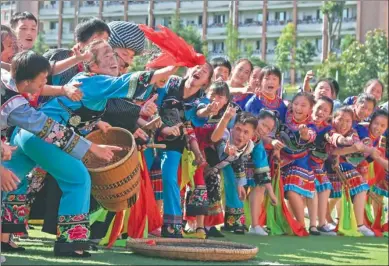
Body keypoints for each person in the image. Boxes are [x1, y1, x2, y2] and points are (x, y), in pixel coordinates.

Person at [1, 50, 120, 255]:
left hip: (18, 139)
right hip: (32, 137)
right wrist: (90, 147)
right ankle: (71, 243)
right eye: (42, 79)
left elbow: (41, 93)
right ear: (27, 81)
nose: (45, 82)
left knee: (12, 178)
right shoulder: (16, 105)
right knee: (78, 178)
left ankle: (3, 238)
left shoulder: (8, 80)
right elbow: (49, 128)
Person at [156, 63, 214, 238]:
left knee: (168, 177)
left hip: (174, 141)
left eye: (204, 72)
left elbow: (201, 112)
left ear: (205, 82)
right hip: (148, 132)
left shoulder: (202, 99)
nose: (199, 71)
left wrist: (209, 111)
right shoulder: (172, 82)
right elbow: (155, 97)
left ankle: (172, 225)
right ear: (189, 70)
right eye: (198, 67)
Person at [324, 106, 375, 236]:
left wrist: (357, 147)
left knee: (362, 187)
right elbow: (333, 151)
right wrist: (350, 145)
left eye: (348, 121)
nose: (343, 123)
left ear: (352, 123)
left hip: (341, 168)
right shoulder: (329, 130)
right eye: (340, 119)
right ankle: (324, 222)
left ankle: (360, 225)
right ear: (333, 119)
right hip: (324, 168)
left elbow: (358, 147)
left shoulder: (353, 131)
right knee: (323, 192)